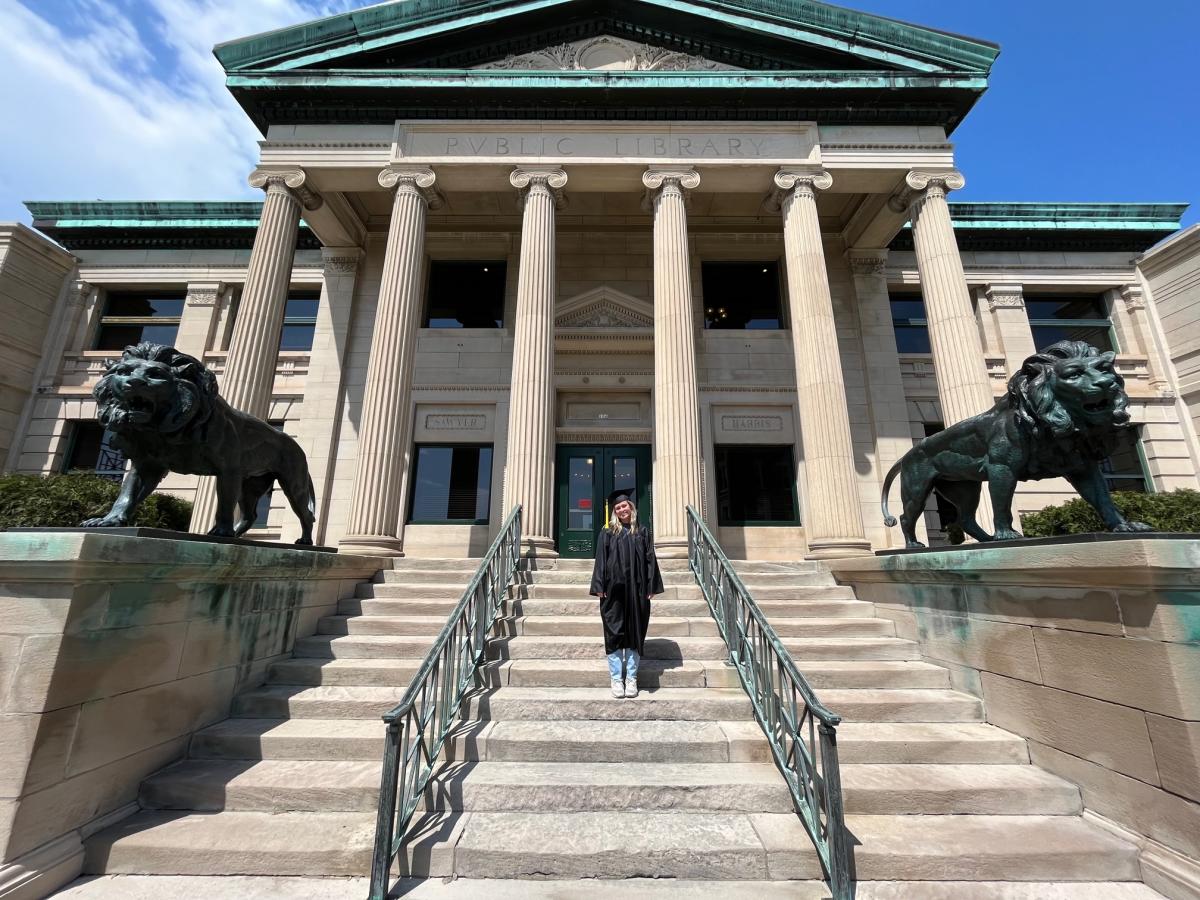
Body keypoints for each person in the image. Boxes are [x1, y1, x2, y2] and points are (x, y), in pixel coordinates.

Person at [589, 491, 664, 698]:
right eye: (618, 508)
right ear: (615, 511)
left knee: (635, 633)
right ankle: (616, 678)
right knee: (614, 634)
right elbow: (601, 561)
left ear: (631, 507)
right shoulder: (607, 532)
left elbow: (650, 560)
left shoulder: (642, 531)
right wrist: (599, 585)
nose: (622, 510)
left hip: (638, 591)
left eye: (625, 506)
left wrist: (651, 587)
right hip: (613, 591)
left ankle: (631, 678)